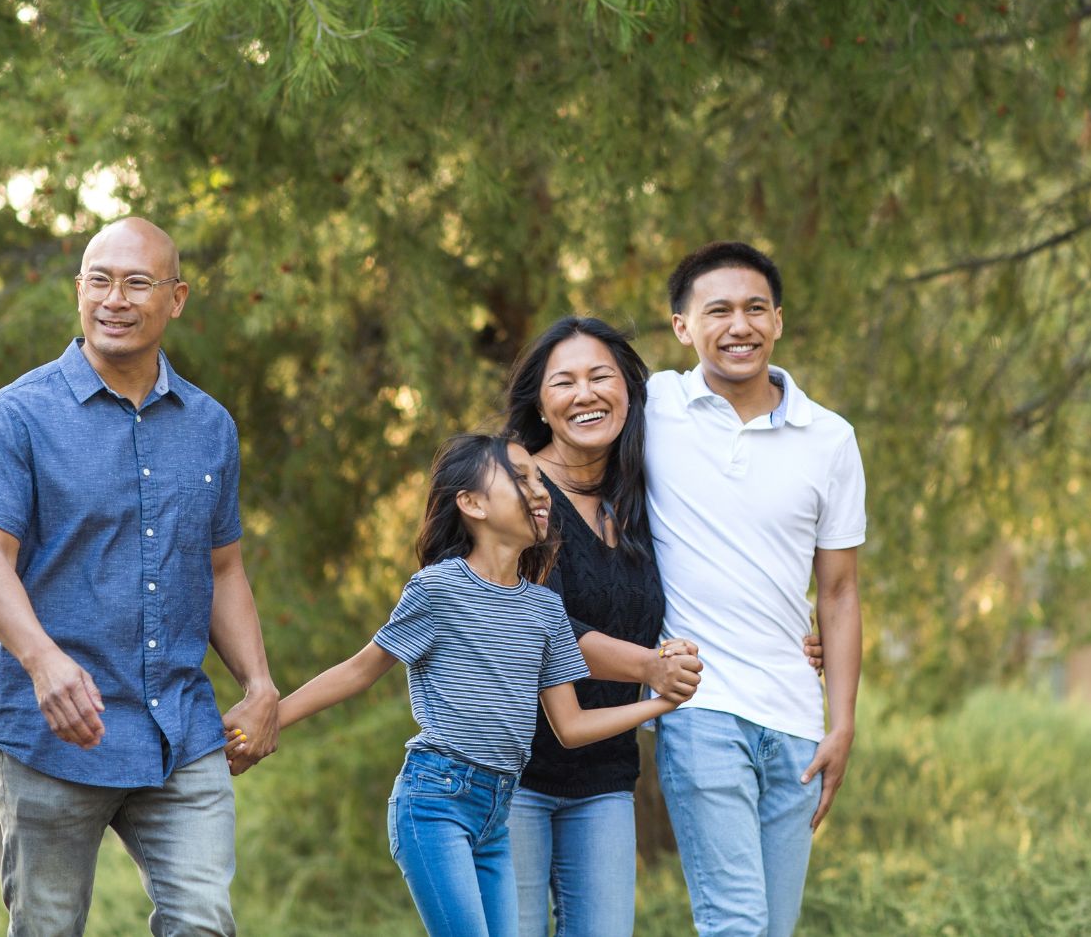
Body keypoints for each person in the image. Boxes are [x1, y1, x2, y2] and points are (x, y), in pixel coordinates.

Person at [0, 217, 278, 937]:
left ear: (177, 298)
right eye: (99, 280)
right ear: (78, 291)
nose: (115, 298)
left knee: (204, 922)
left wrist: (259, 684)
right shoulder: (17, 415)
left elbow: (223, 565)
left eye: (138, 282)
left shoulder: (210, 424)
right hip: (54, 733)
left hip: (179, 730)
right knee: (48, 927)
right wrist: (42, 661)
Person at [265, 433, 694, 937]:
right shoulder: (438, 589)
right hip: (435, 801)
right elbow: (360, 670)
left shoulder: (544, 611)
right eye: (521, 477)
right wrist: (271, 718)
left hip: (497, 815)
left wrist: (658, 703)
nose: (540, 491)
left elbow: (572, 726)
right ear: (471, 503)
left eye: (540, 479)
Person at [647, 242, 865, 937]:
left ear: (777, 321)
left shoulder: (829, 438)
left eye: (754, 308)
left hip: (796, 719)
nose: (738, 325)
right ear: (683, 325)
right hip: (698, 706)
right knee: (736, 924)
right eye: (717, 310)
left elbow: (838, 592)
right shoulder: (651, 405)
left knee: (773, 927)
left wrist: (842, 721)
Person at [500, 317, 698, 937]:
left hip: (606, 777)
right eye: (565, 382)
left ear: (629, 393)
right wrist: (649, 669)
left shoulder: (643, 497)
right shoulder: (515, 491)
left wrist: (797, 631)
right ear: (541, 403)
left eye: (600, 377)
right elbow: (547, 626)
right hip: (513, 774)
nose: (585, 394)